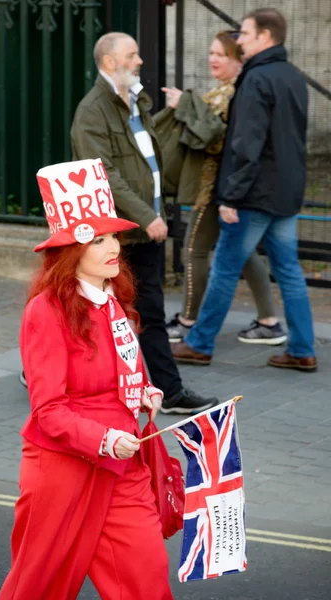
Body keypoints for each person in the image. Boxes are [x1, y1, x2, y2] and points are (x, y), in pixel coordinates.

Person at [0, 158, 174, 600]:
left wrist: (143, 393)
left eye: (113, 234)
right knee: (40, 588)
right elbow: (49, 410)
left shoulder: (113, 298)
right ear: (71, 250)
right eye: (98, 239)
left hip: (122, 464)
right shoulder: (46, 311)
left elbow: (124, 372)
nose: (113, 246)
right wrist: (106, 438)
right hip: (63, 469)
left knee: (147, 579)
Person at [71, 32, 218, 414]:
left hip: (141, 232)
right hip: (117, 235)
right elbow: (104, 173)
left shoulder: (134, 102)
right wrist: (146, 215)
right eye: (132, 55)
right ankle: (52, 372)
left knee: (146, 312)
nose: (139, 61)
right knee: (97, 312)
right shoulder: (92, 112)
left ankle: (168, 391)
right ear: (109, 63)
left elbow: (149, 161)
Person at [171, 8, 317, 372]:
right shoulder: (293, 77)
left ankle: (199, 343)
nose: (240, 40)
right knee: (289, 271)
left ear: (266, 36)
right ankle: (302, 350)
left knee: (223, 266)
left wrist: (231, 196)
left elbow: (246, 145)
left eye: (246, 34)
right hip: (285, 192)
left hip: (253, 194)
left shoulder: (255, 80)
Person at [160, 30, 286, 345]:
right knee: (244, 252)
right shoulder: (225, 91)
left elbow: (218, 140)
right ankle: (269, 322)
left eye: (222, 54)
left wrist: (186, 106)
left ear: (239, 60)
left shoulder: (236, 94)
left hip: (217, 188)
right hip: (227, 186)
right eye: (212, 52)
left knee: (194, 249)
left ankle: (189, 321)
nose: (213, 58)